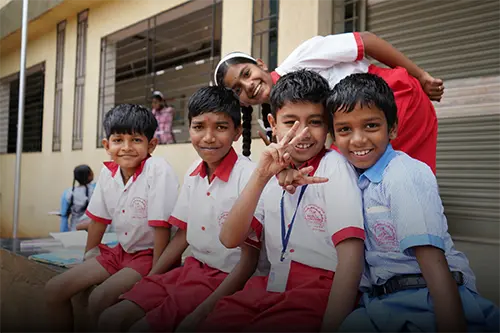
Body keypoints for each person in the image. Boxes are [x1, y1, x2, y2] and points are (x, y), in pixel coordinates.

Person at [325, 73, 500, 333]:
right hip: (381, 303)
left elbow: (434, 265)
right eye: (345, 129)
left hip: (426, 298)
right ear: (334, 136)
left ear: (392, 128)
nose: (358, 139)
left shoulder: (402, 175)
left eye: (371, 126)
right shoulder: (351, 177)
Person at [200, 70, 365, 333]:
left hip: (318, 291)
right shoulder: (269, 172)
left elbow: (351, 258)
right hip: (272, 286)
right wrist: (261, 175)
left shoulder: (334, 166)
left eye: (315, 121)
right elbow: (230, 238)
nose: (303, 133)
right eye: (291, 122)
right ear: (273, 123)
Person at [98, 86, 269, 333]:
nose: (208, 137)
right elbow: (182, 236)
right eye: (199, 127)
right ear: (189, 129)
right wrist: (151, 278)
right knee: (111, 318)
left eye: (220, 127)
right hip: (190, 271)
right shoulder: (193, 171)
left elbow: (248, 262)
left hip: (225, 278)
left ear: (237, 132)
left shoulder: (249, 177)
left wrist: (204, 311)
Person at [214, 31, 443, 173]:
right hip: (362, 123)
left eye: (246, 74)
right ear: (240, 102)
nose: (248, 85)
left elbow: (368, 42)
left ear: (261, 64)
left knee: (398, 181)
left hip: (396, 98)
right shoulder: (270, 125)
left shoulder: (301, 58)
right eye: (237, 90)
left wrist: (421, 76)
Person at [45, 104, 179, 333]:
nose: (126, 148)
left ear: (152, 145)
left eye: (136, 140)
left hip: (151, 255)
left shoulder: (157, 169)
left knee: (99, 299)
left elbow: (162, 229)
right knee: (53, 290)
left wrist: (155, 277)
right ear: (107, 145)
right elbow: (98, 220)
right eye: (118, 140)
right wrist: (89, 255)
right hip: (120, 252)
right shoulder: (108, 172)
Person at [60, 164, 95, 232]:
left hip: (74, 230)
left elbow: (64, 216)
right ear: (89, 176)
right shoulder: (96, 190)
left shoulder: (68, 193)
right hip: (92, 230)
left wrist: (64, 233)